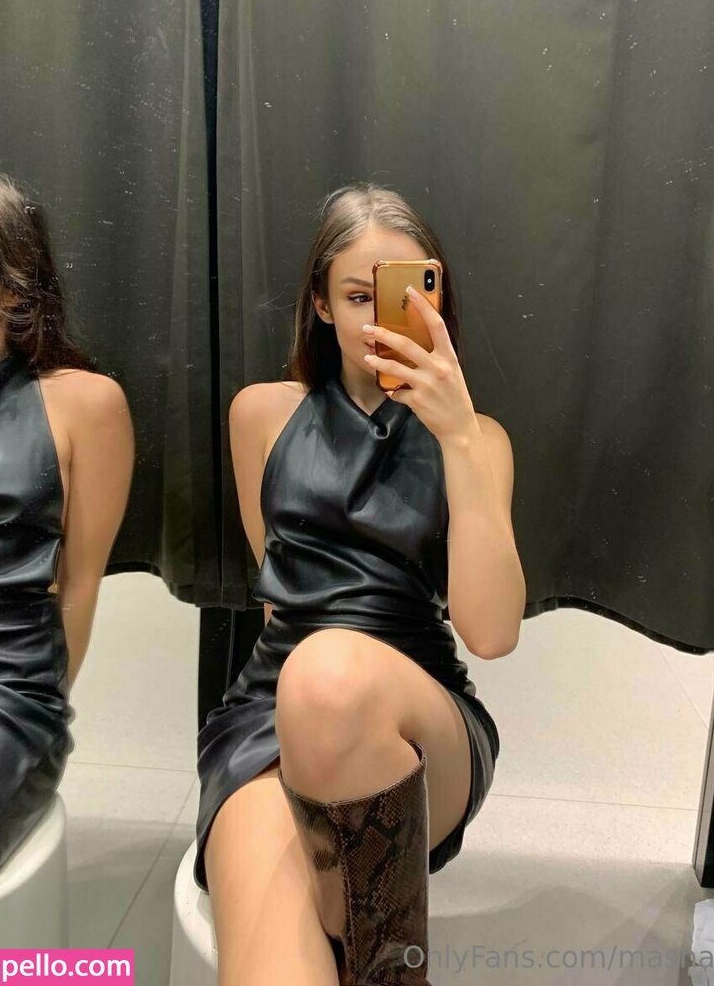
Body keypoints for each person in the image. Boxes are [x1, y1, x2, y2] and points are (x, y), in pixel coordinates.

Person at [195, 183, 526, 985]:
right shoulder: (261, 415)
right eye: (356, 295)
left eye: (405, 295)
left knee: (329, 674)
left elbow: (491, 633)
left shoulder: (478, 440)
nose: (380, 318)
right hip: (268, 721)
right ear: (319, 304)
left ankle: (358, 916)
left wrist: (456, 437)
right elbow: (277, 593)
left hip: (419, 725)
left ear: (437, 299)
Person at [0, 171, 134, 878]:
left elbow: (81, 583)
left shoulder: (84, 405)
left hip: (4, 693)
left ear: (12, 291)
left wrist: (38, 714)